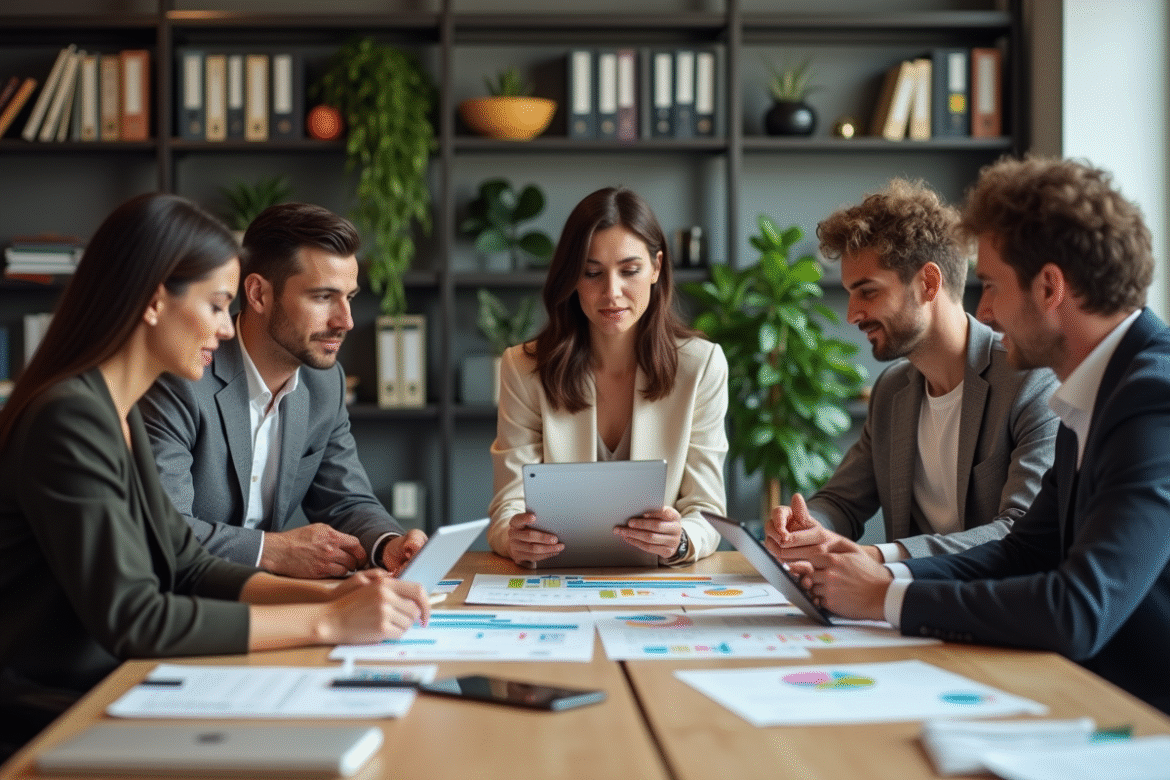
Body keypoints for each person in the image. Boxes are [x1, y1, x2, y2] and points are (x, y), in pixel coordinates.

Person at [0, 193, 429, 751]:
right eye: (215, 305)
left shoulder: (114, 410)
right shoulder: (70, 417)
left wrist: (334, 597)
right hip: (54, 707)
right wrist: (327, 624)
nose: (227, 329)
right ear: (155, 300)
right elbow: (136, 618)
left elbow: (188, 565)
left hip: (118, 685)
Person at [768, 156, 1170, 714]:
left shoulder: (1152, 399)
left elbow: (1078, 609)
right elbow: (1023, 549)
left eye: (993, 285)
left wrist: (886, 594)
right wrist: (876, 577)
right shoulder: (1098, 392)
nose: (984, 308)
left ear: (1050, 287)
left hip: (1139, 717)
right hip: (1083, 691)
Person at [767, 179, 1059, 562]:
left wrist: (881, 558)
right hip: (904, 611)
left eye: (868, 291)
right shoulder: (892, 390)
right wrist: (806, 526)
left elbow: (1018, 530)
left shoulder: (1029, 380)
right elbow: (841, 502)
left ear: (928, 283)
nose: (853, 314)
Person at [139, 203, 426, 579]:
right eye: (323, 297)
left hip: (266, 600)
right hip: (186, 604)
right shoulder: (182, 377)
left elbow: (345, 499)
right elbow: (164, 531)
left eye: (349, 297)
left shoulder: (326, 383)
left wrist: (388, 545)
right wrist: (271, 550)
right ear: (258, 294)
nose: (346, 321)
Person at [488, 187, 727, 566]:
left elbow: (707, 509)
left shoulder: (702, 366)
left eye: (629, 270)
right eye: (592, 273)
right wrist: (514, 538)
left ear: (656, 268)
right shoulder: (524, 368)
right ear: (572, 278)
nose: (611, 292)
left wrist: (680, 540)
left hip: (657, 584)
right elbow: (508, 506)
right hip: (556, 582)